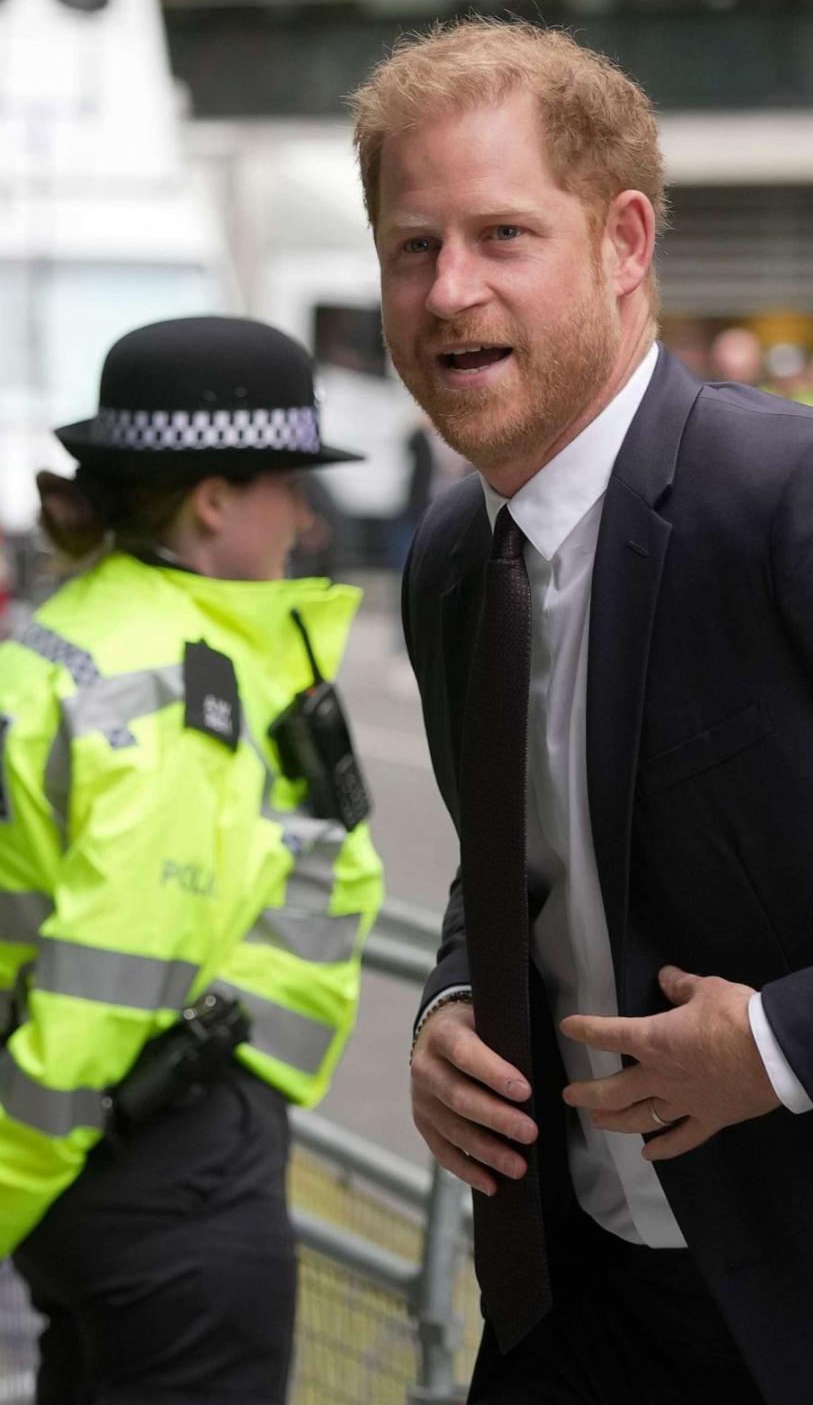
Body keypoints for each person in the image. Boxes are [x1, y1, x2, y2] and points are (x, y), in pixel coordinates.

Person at [351, 18, 813, 1405]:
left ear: (625, 244)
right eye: (411, 246)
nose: (448, 293)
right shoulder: (451, 562)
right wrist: (450, 1004)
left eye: (504, 236)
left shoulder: (795, 499)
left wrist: (784, 1044)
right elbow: (515, 861)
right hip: (572, 1305)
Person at [0, 315, 384, 1404]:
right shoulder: (184, 688)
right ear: (213, 500)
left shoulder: (75, 626)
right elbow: (107, 980)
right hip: (168, 1171)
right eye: (288, 487)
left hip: (104, 1174)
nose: (306, 519)